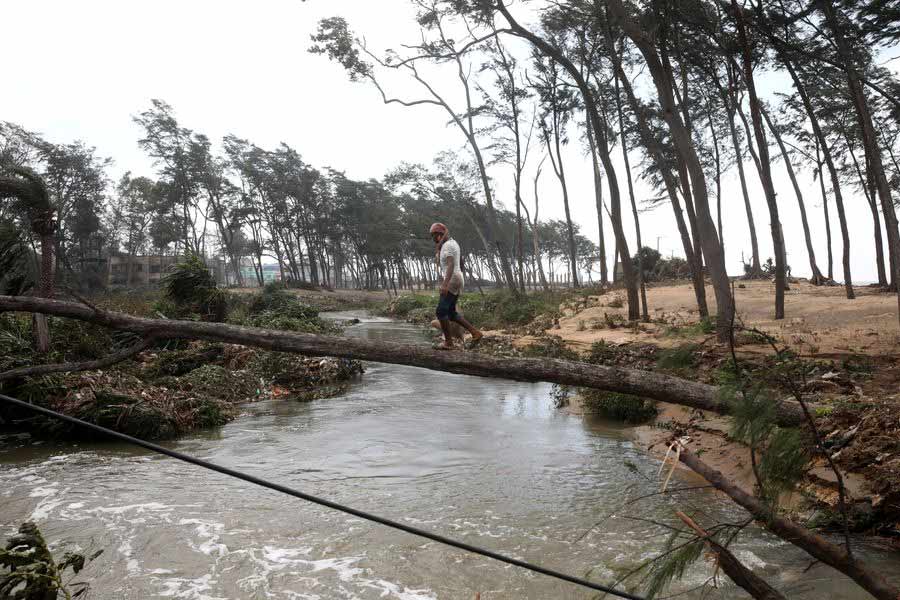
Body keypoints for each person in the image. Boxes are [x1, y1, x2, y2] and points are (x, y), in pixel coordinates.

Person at [430, 222, 482, 349]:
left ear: (438, 235)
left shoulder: (447, 246)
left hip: (452, 278)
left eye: (433, 236)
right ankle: (475, 333)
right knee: (451, 313)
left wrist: (445, 284)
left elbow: (451, 264)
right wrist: (460, 280)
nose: (433, 239)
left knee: (441, 311)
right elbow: (460, 262)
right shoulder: (453, 243)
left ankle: (448, 343)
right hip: (458, 278)